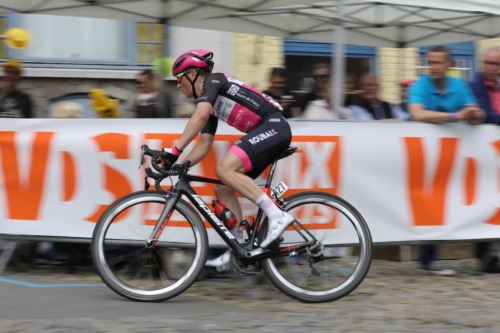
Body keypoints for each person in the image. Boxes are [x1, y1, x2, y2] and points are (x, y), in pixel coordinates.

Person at [160, 49, 294, 269]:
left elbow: (199, 116)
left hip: (274, 126)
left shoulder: (213, 80)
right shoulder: (210, 102)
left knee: (225, 169)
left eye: (178, 78)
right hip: (269, 130)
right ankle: (239, 249)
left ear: (193, 74)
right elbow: (204, 144)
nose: (177, 85)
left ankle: (276, 215)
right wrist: (179, 164)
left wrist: (173, 151)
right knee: (223, 188)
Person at [409, 45, 486, 275]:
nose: (433, 67)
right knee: (427, 202)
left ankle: (473, 253)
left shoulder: (459, 85)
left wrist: (475, 116)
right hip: (421, 154)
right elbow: (417, 113)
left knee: (451, 200)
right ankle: (427, 257)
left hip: (451, 156)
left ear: (448, 65)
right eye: (430, 62)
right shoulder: (420, 84)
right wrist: (454, 116)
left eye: (438, 62)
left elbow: (475, 111)